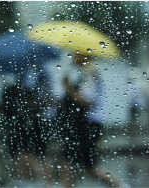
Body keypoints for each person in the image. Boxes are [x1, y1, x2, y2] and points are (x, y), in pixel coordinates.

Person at [52, 53, 121, 187]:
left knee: (89, 166)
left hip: (87, 125)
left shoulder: (91, 74)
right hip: (81, 126)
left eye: (76, 54)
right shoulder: (84, 74)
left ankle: (121, 186)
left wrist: (68, 88)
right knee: (68, 161)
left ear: (83, 55)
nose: (72, 57)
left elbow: (87, 101)